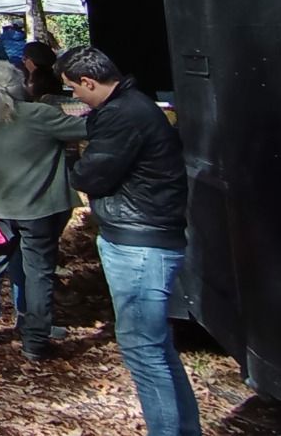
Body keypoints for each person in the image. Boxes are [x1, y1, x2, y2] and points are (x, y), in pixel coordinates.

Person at [60, 47, 198, 436]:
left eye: (74, 89)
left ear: (89, 82)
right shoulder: (133, 107)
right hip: (145, 234)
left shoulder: (122, 116)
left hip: (140, 243)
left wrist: (75, 161)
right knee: (157, 349)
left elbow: (92, 176)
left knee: (144, 351)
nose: (75, 97)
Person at [0, 61, 87, 358]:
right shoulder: (40, 114)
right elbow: (83, 128)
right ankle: (36, 340)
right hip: (41, 208)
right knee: (39, 272)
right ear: (21, 84)